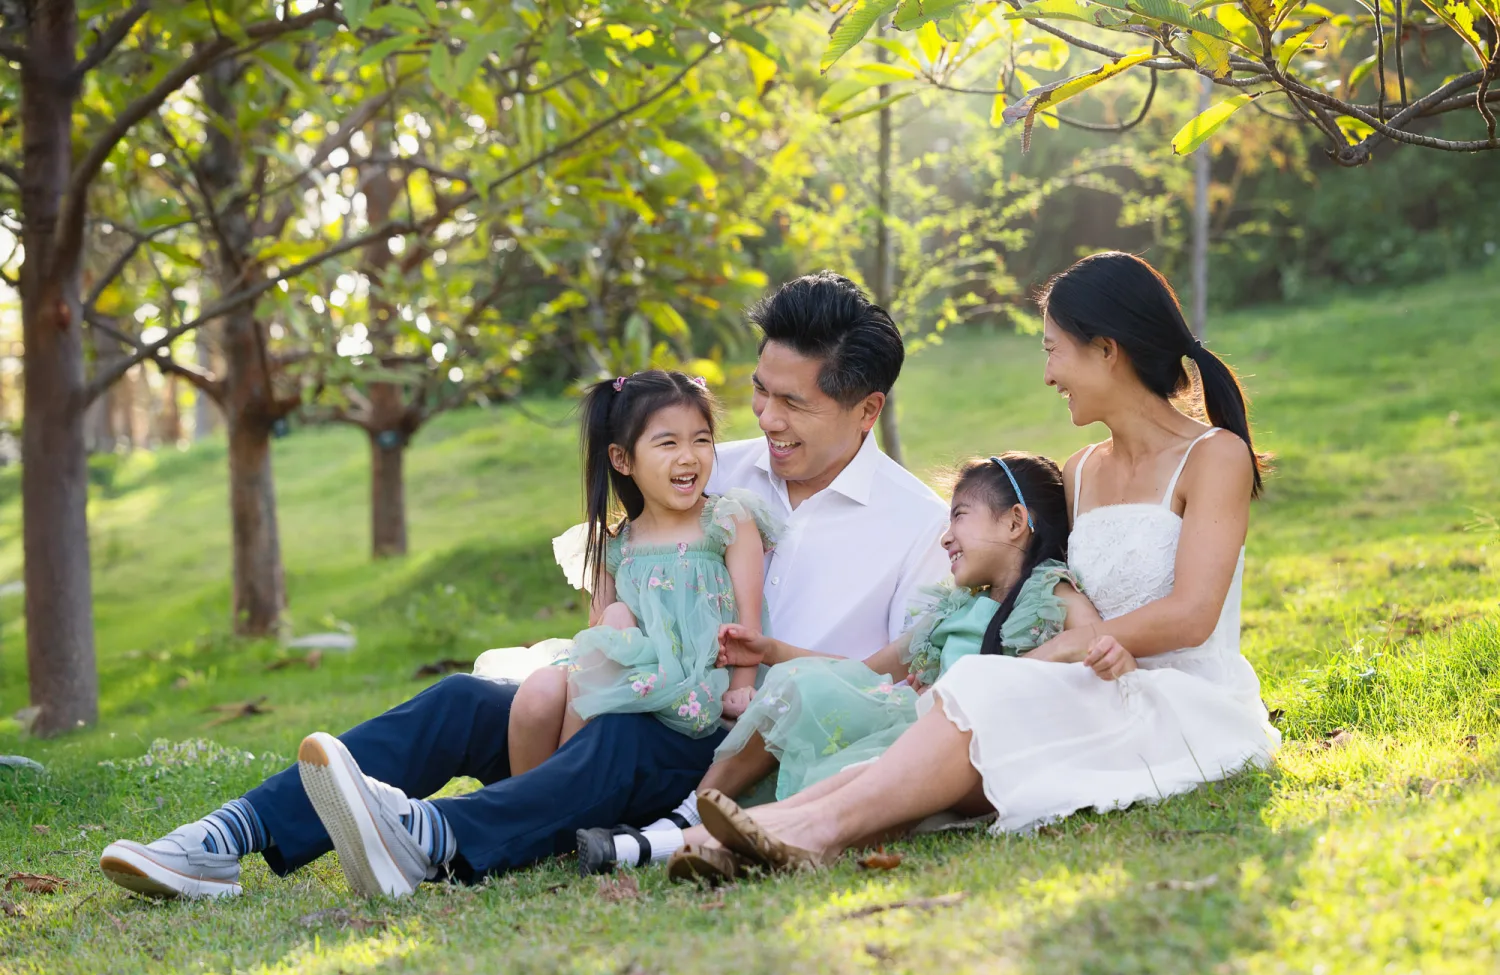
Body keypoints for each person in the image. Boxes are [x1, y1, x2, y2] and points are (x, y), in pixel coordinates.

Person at [98, 270, 948, 900]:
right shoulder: (713, 464)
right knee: (464, 701)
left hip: (733, 744)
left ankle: (432, 838)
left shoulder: (916, 526)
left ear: (866, 410)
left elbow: (905, 686)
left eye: (793, 404)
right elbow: (627, 562)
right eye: (760, 392)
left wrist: (765, 674)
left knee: (631, 741)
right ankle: (226, 835)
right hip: (639, 702)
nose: (766, 419)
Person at [678, 251, 1283, 875]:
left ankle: (808, 832)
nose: (1049, 374)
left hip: (1179, 699)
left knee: (985, 695)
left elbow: (1192, 615)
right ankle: (762, 831)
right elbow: (1047, 589)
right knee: (959, 707)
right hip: (1088, 681)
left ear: (1106, 349)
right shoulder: (1081, 470)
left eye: (1054, 350)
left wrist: (1056, 655)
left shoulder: (1214, 456)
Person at [586, 453, 1137, 879]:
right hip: (912, 720)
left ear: (1016, 522)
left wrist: (1097, 652)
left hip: (951, 748)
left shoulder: (1051, 593)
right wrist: (774, 653)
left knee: (855, 772)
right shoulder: (954, 607)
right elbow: (869, 669)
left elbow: (1098, 642)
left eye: (961, 517)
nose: (946, 535)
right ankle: (689, 816)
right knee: (803, 686)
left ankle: (676, 844)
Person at [488, 373, 779, 775]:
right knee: (538, 691)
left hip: (695, 683)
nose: (689, 456)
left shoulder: (726, 520)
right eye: (668, 443)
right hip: (630, 676)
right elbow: (596, 642)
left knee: (616, 625)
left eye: (701, 439)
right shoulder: (616, 543)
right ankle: (529, 801)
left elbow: (749, 622)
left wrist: (743, 685)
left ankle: (555, 796)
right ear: (622, 459)